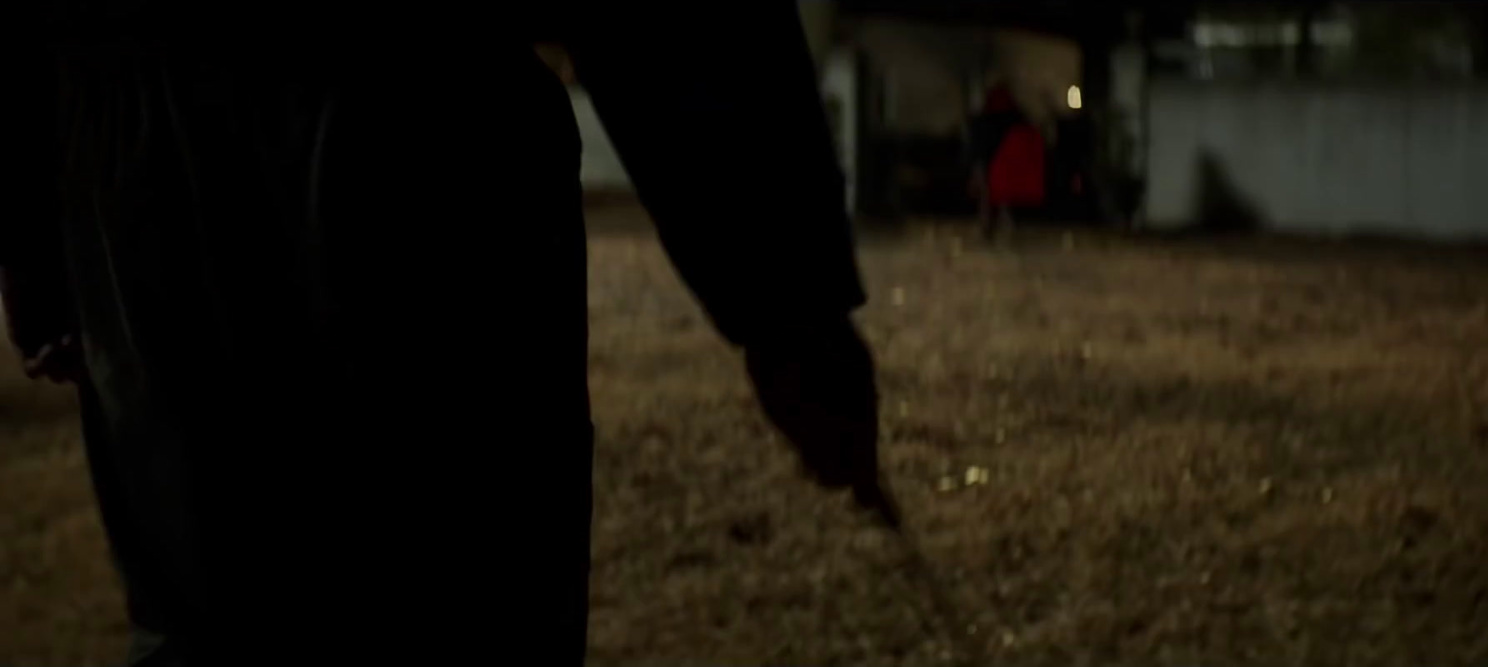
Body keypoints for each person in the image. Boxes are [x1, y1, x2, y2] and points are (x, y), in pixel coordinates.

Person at [11, 4, 883, 665]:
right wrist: (786, 298)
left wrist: (38, 218)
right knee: (452, 612)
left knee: (204, 619)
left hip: (132, 150)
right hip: (406, 137)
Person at [966, 84, 1048, 241]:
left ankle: (991, 229)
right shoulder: (1014, 119)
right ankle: (998, 230)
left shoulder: (987, 121)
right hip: (1000, 168)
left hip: (994, 166)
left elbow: (979, 148)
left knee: (990, 199)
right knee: (999, 201)